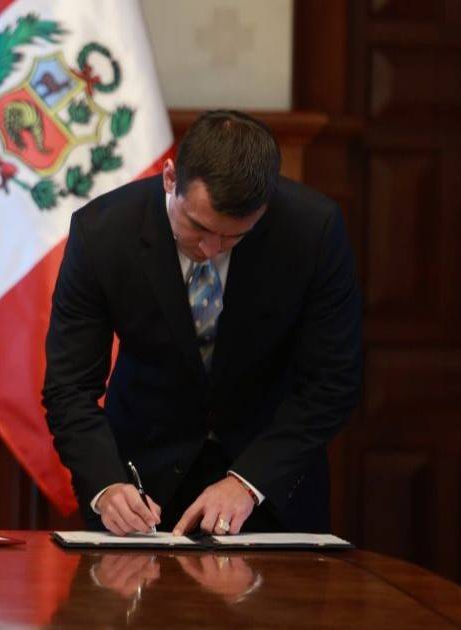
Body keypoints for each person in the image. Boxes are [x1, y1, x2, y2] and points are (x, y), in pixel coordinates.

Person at [43, 110, 362, 537]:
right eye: (198, 227)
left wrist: (248, 483)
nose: (211, 249)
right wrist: (106, 485)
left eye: (233, 237)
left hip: (270, 485)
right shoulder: (102, 233)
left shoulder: (313, 230)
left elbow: (334, 381)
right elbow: (69, 386)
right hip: (142, 485)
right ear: (170, 178)